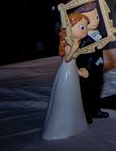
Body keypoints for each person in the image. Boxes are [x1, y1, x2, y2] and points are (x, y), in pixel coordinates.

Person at [42, 12, 89, 140]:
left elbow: (73, 63)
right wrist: (74, 49)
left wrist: (80, 72)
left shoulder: (74, 43)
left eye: (85, 27)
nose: (85, 31)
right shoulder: (70, 45)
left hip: (71, 72)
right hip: (67, 74)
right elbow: (68, 59)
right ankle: (60, 127)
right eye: (82, 27)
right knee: (66, 96)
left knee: (73, 97)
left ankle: (73, 124)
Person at [75, 1, 109, 124]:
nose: (95, 21)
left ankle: (95, 110)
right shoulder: (82, 39)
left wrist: (106, 37)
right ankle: (85, 112)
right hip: (87, 69)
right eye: (89, 20)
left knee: (96, 89)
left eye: (97, 17)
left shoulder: (96, 34)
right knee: (86, 91)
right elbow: (83, 50)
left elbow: (99, 46)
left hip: (97, 66)